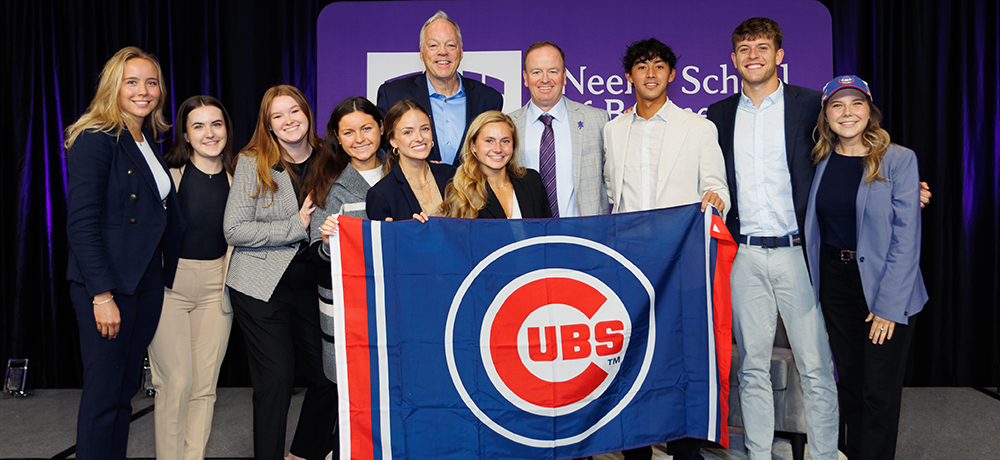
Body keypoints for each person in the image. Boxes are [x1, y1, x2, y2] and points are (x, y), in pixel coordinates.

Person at [705, 18, 842, 460]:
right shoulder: (719, 114)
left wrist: (892, 182)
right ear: (733, 60)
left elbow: (849, 148)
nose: (753, 55)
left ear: (779, 55)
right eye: (744, 48)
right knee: (752, 368)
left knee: (816, 367)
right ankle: (758, 454)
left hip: (797, 254)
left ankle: (823, 455)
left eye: (762, 47)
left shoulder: (808, 104)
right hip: (744, 254)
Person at [602, 38, 729, 460]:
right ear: (629, 76)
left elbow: (717, 186)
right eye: (642, 66)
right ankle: (636, 447)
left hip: (681, 263)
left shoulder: (698, 127)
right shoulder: (613, 130)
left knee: (680, 358)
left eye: (659, 66)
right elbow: (610, 195)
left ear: (672, 74)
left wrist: (714, 201)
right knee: (633, 355)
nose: (651, 73)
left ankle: (685, 447)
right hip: (631, 264)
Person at [64, 46, 184, 460]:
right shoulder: (95, 137)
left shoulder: (147, 137)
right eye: (131, 82)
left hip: (144, 282)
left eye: (151, 82)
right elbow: (82, 223)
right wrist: (101, 295)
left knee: (123, 394)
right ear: (113, 86)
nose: (143, 90)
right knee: (103, 397)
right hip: (109, 287)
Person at [804, 76, 927, 460]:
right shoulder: (818, 161)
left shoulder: (899, 159)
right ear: (826, 114)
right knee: (853, 387)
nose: (847, 113)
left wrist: (889, 306)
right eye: (837, 105)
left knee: (879, 392)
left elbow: (906, 240)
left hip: (886, 287)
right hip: (836, 286)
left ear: (870, 111)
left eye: (856, 103)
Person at [223, 85, 337, 460]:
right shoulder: (252, 161)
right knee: (275, 380)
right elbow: (234, 230)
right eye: (278, 116)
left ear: (307, 113)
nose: (289, 121)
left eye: (294, 111)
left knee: (328, 379)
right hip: (260, 287)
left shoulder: (329, 158)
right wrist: (295, 225)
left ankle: (303, 453)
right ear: (268, 124)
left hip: (313, 288)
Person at [147, 95, 235, 460]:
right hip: (171, 286)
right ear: (185, 133)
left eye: (216, 124)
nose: (209, 133)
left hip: (219, 285)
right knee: (176, 382)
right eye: (198, 125)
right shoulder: (168, 177)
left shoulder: (241, 177)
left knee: (204, 387)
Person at [305, 96, 387, 383]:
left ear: (381, 127)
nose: (359, 139)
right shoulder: (328, 182)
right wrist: (328, 244)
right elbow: (315, 253)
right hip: (347, 305)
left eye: (366, 128)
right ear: (337, 138)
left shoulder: (406, 171)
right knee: (353, 388)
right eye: (348, 132)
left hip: (396, 299)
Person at [375, 10, 503, 165]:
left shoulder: (489, 99)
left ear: (461, 53)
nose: (443, 52)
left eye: (450, 45)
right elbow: (379, 153)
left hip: (472, 188)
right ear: (421, 53)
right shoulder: (393, 95)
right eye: (433, 45)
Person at [508, 41, 610, 218]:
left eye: (553, 71)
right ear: (525, 78)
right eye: (536, 72)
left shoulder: (598, 120)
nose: (545, 79)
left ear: (564, 76)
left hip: (585, 236)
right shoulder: (508, 125)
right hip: (528, 237)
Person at [440, 110, 551, 219]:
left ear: (513, 145)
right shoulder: (461, 191)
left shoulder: (532, 181)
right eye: (489, 141)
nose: (498, 149)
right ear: (473, 145)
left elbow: (548, 232)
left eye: (505, 141)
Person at [366, 99, 456, 221]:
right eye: (408, 132)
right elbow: (381, 239)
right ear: (393, 141)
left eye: (424, 129)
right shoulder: (382, 194)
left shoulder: (451, 175)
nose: (419, 138)